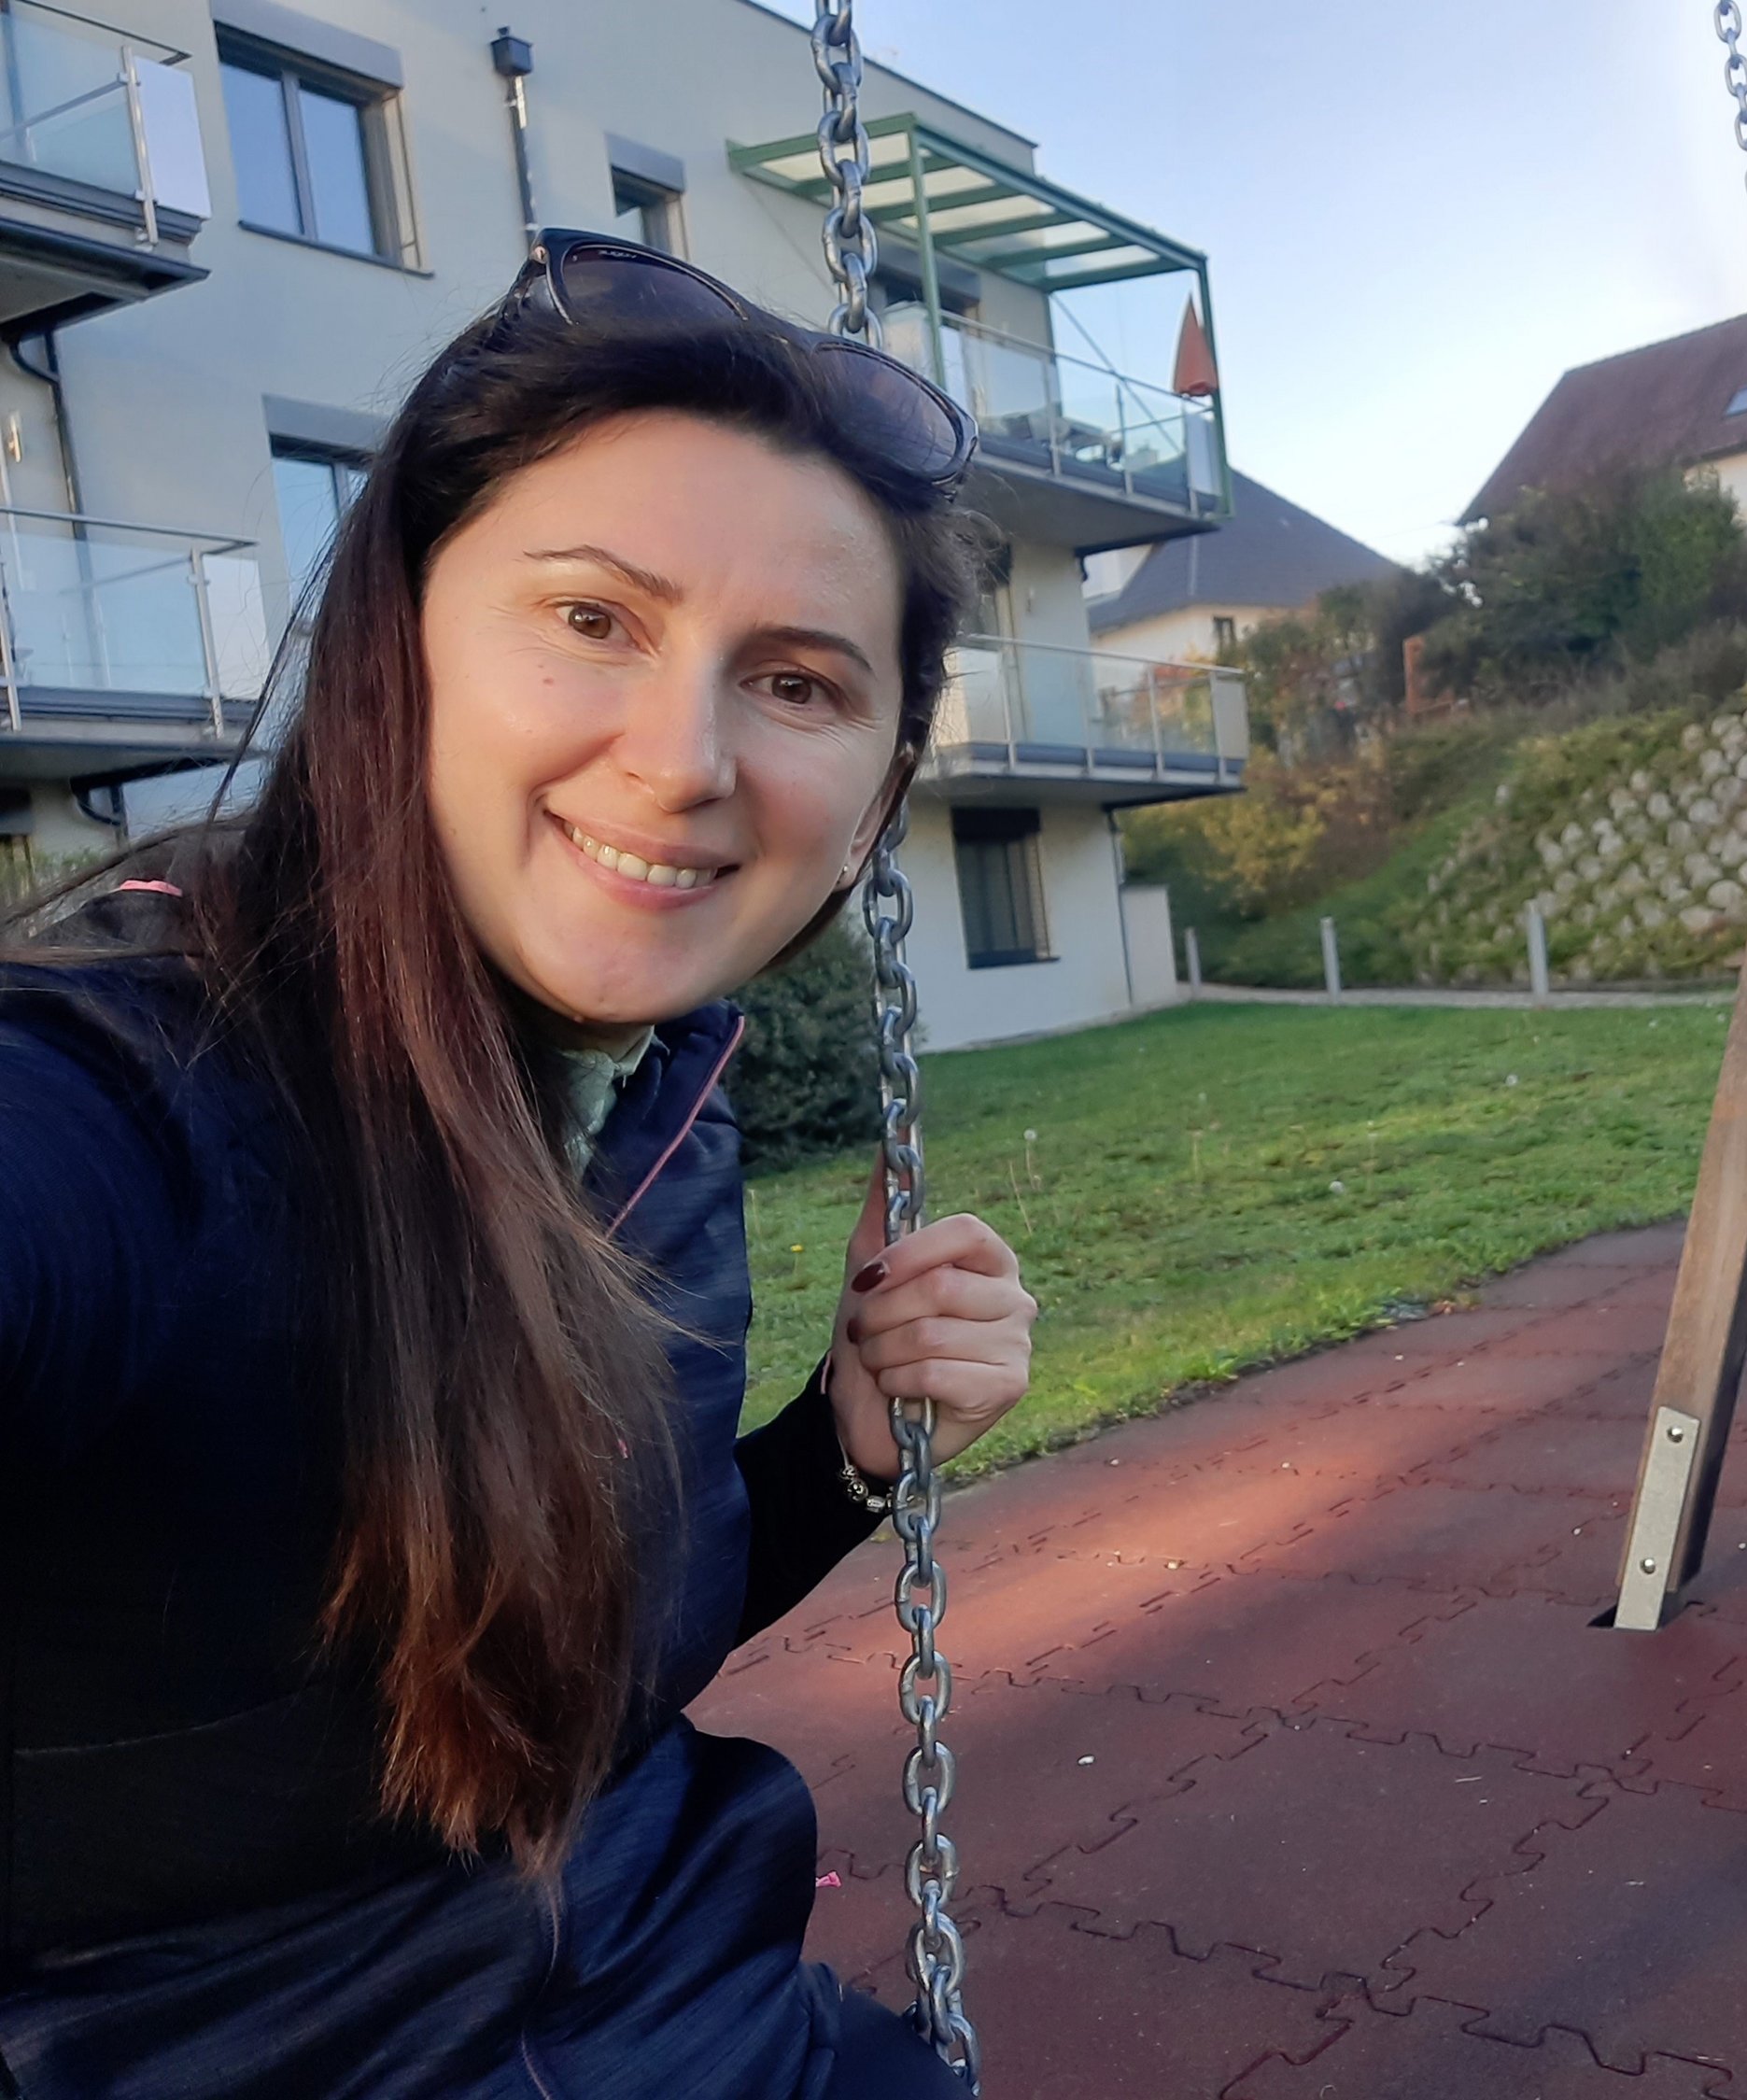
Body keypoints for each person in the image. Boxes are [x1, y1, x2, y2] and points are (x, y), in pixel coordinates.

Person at [0, 234, 1028, 2096]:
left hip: (680, 2002)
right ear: (398, 634)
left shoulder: (656, 1100)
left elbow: (574, 1650)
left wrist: (836, 1452)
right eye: (589, 617)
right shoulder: (140, 1086)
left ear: (874, 782)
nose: (682, 754)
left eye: (795, 681)